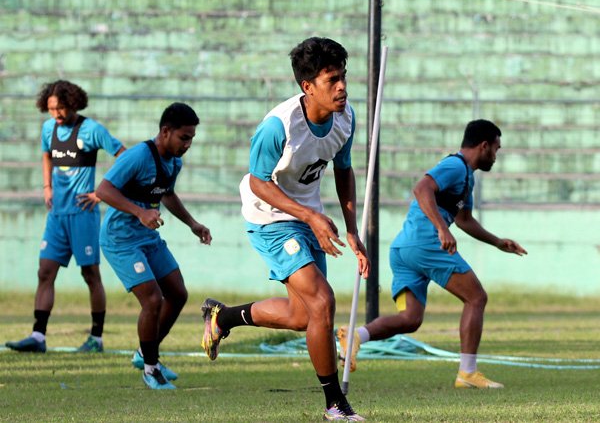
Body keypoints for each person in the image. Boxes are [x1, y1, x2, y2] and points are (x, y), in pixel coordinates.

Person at [200, 37, 370, 421]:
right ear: (308, 87)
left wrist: (352, 231)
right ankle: (335, 405)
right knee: (323, 303)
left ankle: (222, 318)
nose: (342, 87)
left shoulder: (347, 118)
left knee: (303, 316)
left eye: (343, 77)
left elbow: (344, 171)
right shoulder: (278, 126)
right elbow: (259, 181)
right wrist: (309, 217)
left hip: (309, 214)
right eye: (332, 80)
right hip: (269, 217)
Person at [337, 119, 527, 389]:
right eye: (496, 149)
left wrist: (497, 242)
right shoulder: (455, 166)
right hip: (426, 244)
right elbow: (421, 188)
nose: (496, 156)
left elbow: (464, 220)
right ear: (484, 146)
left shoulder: (466, 177)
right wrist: (441, 229)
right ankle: (467, 373)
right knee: (476, 298)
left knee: (410, 319)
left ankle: (355, 336)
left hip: (404, 249)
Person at [95, 102, 212, 390]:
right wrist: (139, 212)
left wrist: (192, 223)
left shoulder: (174, 162)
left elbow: (167, 194)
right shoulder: (137, 156)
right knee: (152, 299)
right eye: (184, 137)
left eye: (191, 139)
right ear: (165, 131)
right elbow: (103, 190)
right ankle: (150, 369)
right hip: (121, 239)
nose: (187, 144)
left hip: (147, 237)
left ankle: (145, 353)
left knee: (178, 293)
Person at [6, 80, 125, 354]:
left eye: (60, 108)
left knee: (90, 273)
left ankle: (96, 338)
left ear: (73, 103)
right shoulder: (49, 129)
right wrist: (47, 187)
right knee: (45, 271)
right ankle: (38, 336)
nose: (56, 114)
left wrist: (101, 193)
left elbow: (125, 157)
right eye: (50, 109)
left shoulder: (92, 130)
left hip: (83, 214)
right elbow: (46, 156)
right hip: (57, 215)